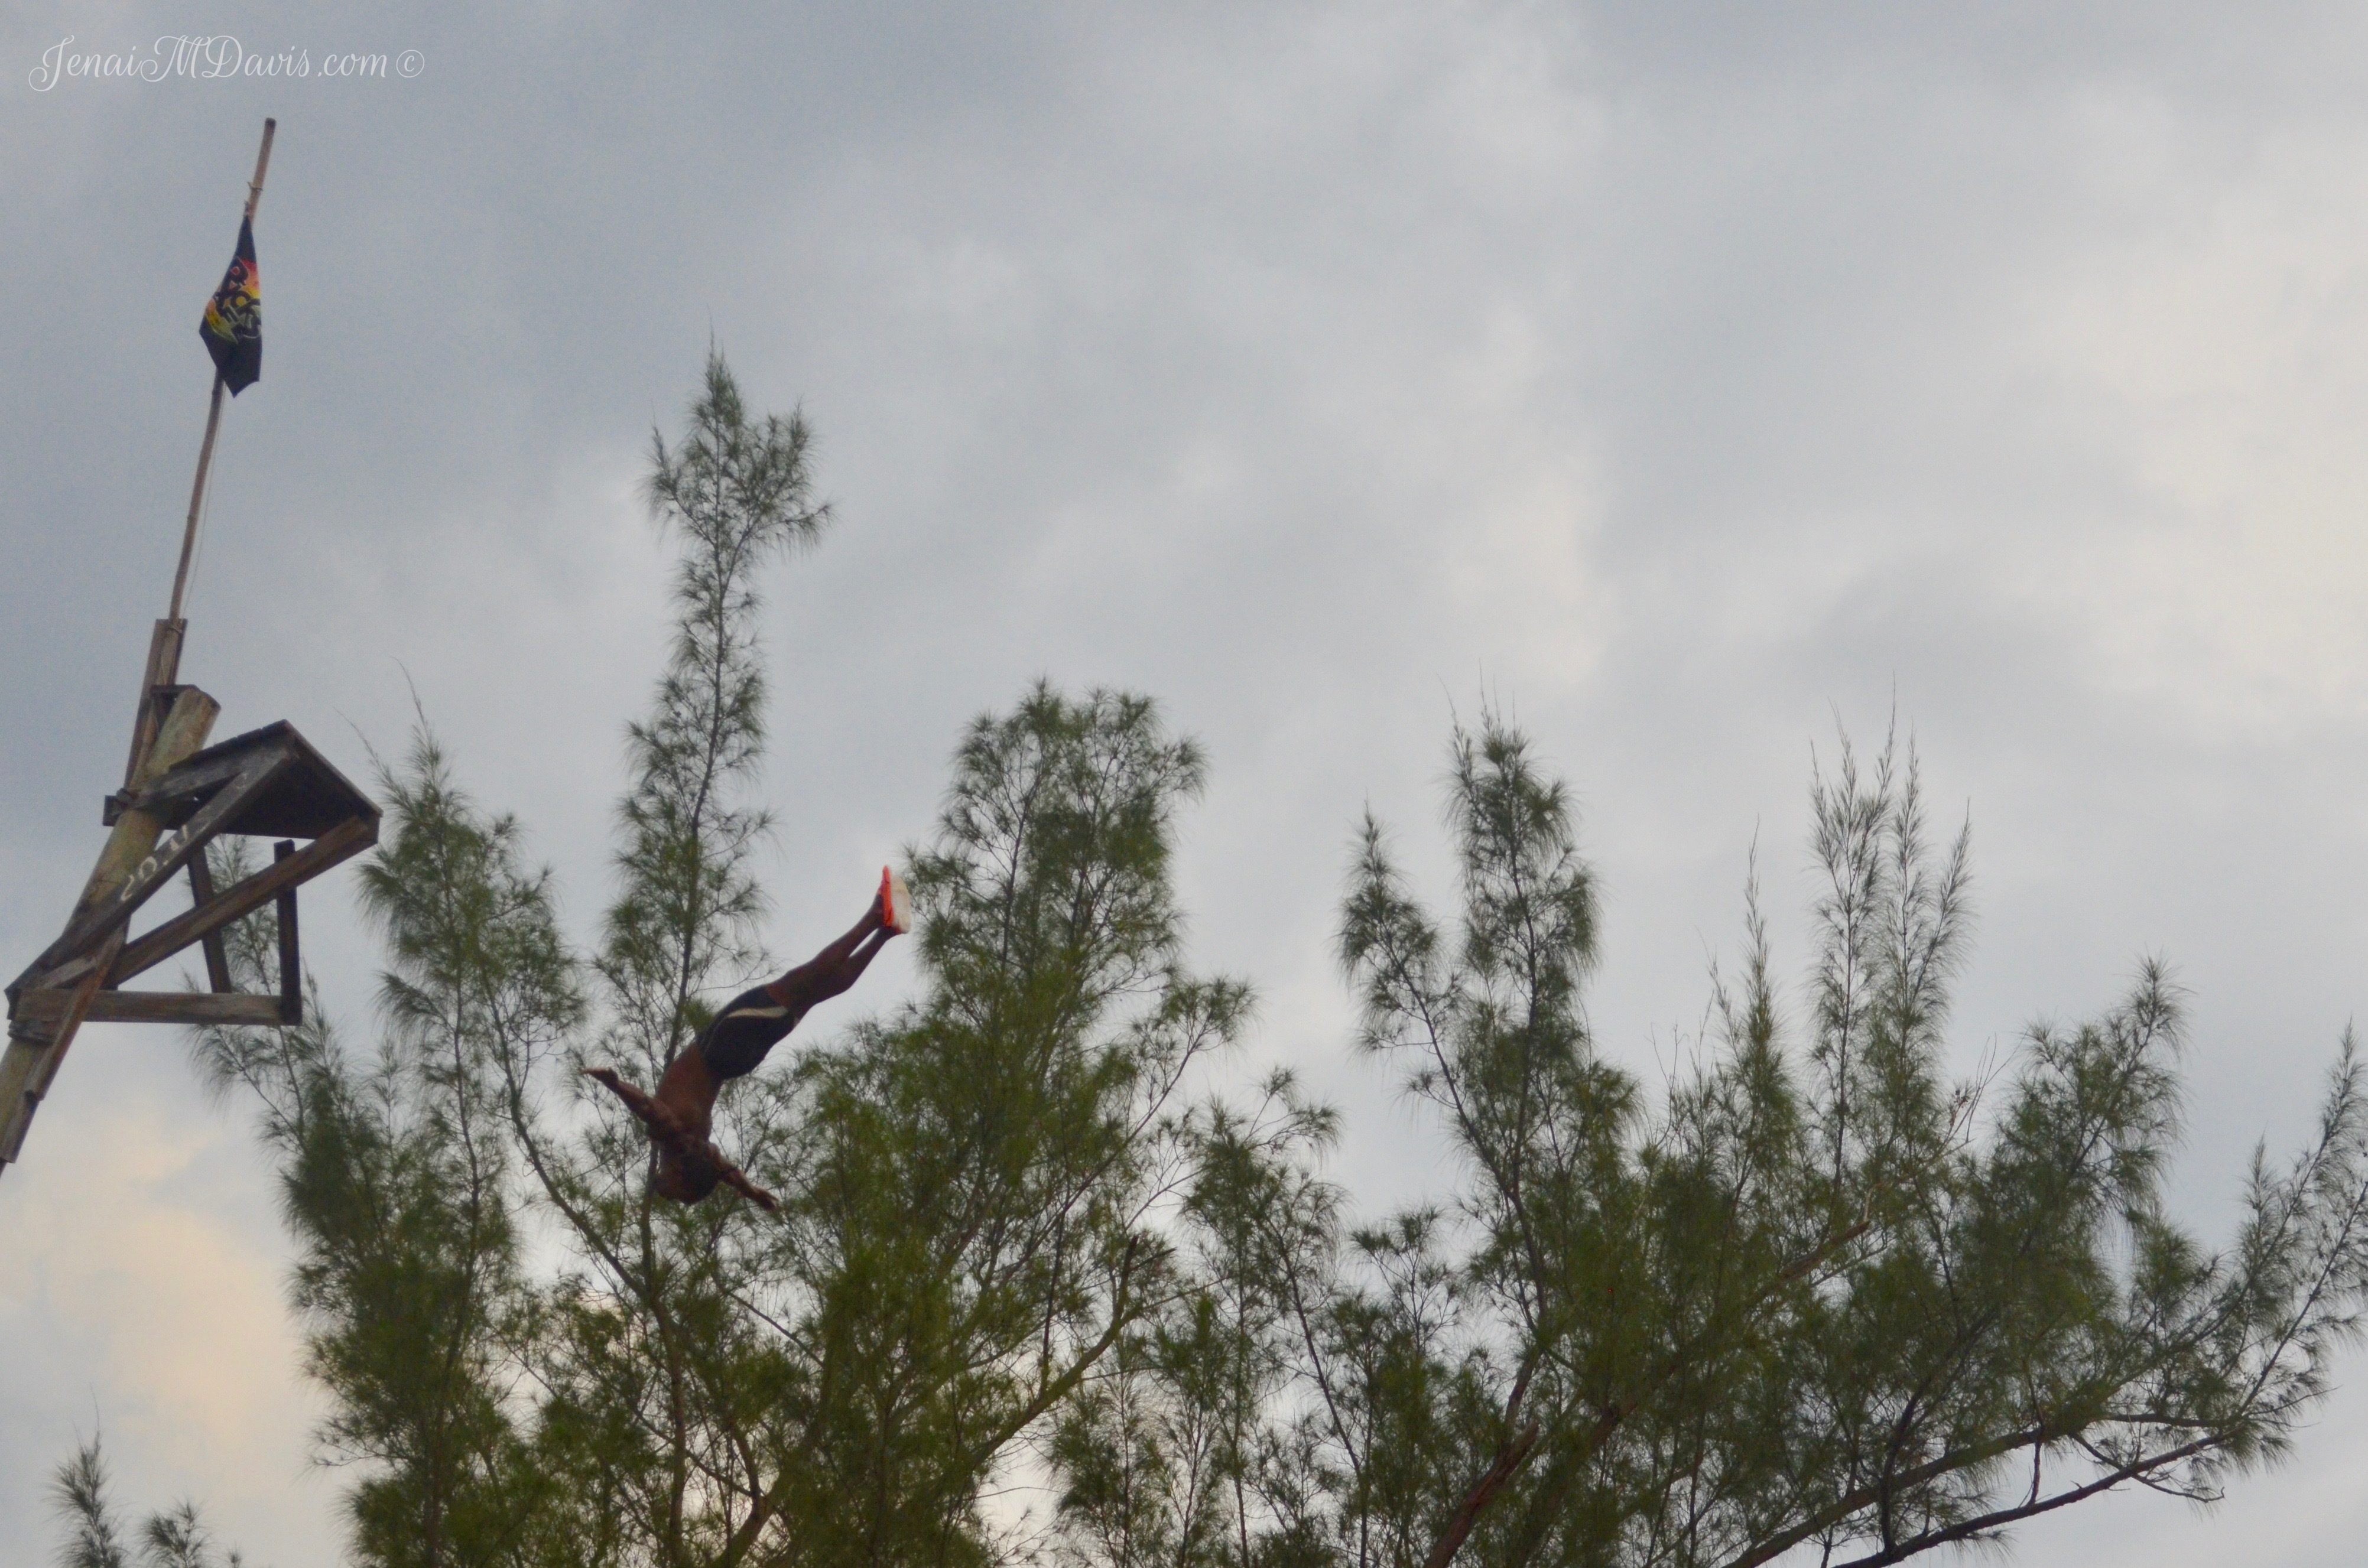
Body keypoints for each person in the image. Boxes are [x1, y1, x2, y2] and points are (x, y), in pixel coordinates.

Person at [587, 868, 908, 1206]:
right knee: (805, 980)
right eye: (670, 1189)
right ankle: (874, 918)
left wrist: (753, 1193)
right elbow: (649, 1109)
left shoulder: (700, 1147)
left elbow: (727, 1172)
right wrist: (616, 1085)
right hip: (725, 1042)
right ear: (680, 1175)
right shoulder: (671, 1136)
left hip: (741, 1059)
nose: (662, 1186)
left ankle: (885, 934)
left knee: (817, 993)